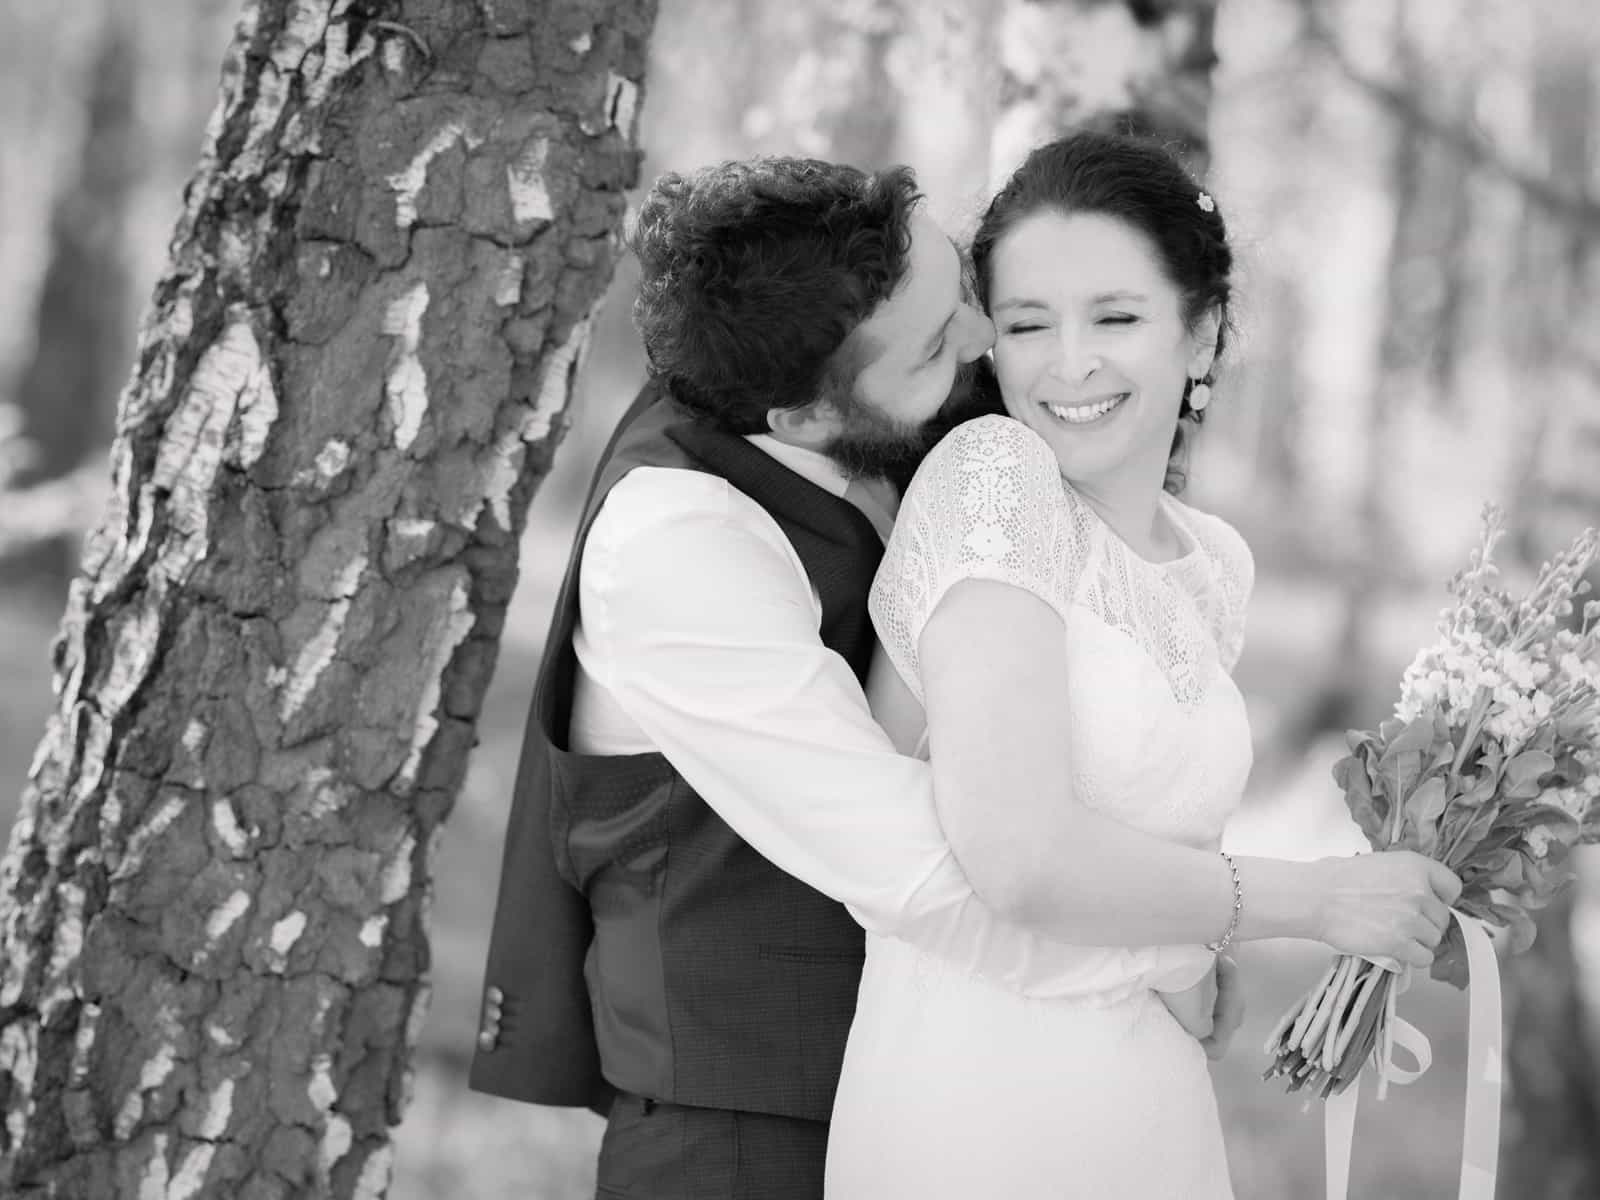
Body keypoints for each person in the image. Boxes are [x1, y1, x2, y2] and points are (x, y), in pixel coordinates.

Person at [469, 153, 1451, 1200]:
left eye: (964, 292)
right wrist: (1181, 947)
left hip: (1029, 1073)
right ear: (803, 416)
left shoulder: (903, 406)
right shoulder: (676, 542)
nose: (989, 346)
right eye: (948, 340)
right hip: (744, 1125)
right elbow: (935, 865)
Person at [822, 130, 1464, 1198]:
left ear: (1200, 333)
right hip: (982, 1096)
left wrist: (1187, 954)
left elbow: (1162, 858)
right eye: (1028, 325)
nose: (1068, 364)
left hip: (1146, 1098)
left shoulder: (1211, 563)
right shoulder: (993, 476)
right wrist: (1315, 901)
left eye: (1115, 318)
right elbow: (1015, 855)